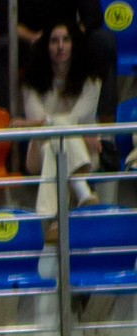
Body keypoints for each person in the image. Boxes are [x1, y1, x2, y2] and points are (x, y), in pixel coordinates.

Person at [20, 23, 102, 218]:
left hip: (85, 152)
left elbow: (75, 117)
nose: (60, 46)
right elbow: (36, 118)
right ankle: (82, 191)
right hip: (41, 151)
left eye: (66, 40)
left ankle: (52, 222)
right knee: (52, 141)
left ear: (75, 44)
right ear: (45, 46)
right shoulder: (30, 83)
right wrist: (79, 131)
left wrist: (36, 123)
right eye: (54, 40)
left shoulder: (92, 81)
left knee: (53, 150)